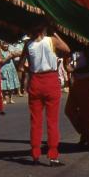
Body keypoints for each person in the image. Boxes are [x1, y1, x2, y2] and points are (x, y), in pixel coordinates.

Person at [20, 23, 70, 166]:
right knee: (52, 120)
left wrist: (30, 69)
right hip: (50, 80)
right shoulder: (52, 40)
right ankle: (53, 155)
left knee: (35, 120)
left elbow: (21, 65)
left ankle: (35, 153)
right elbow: (67, 48)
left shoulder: (28, 44)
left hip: (35, 80)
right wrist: (55, 33)